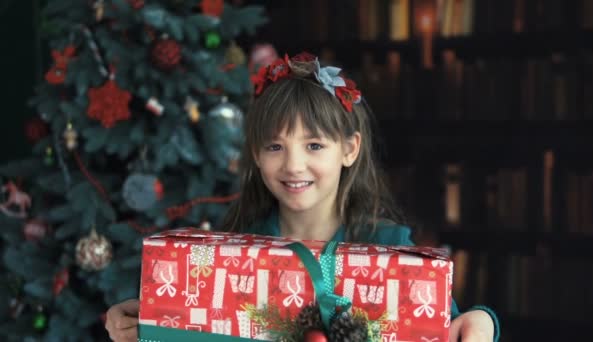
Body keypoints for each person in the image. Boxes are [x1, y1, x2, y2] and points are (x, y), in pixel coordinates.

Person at [106, 52, 499, 342]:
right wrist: (133, 324)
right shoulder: (234, 250)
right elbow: (182, 325)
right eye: (275, 147)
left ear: (349, 149)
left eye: (313, 145)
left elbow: (449, 325)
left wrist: (484, 322)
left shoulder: (390, 247)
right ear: (257, 155)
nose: (293, 166)